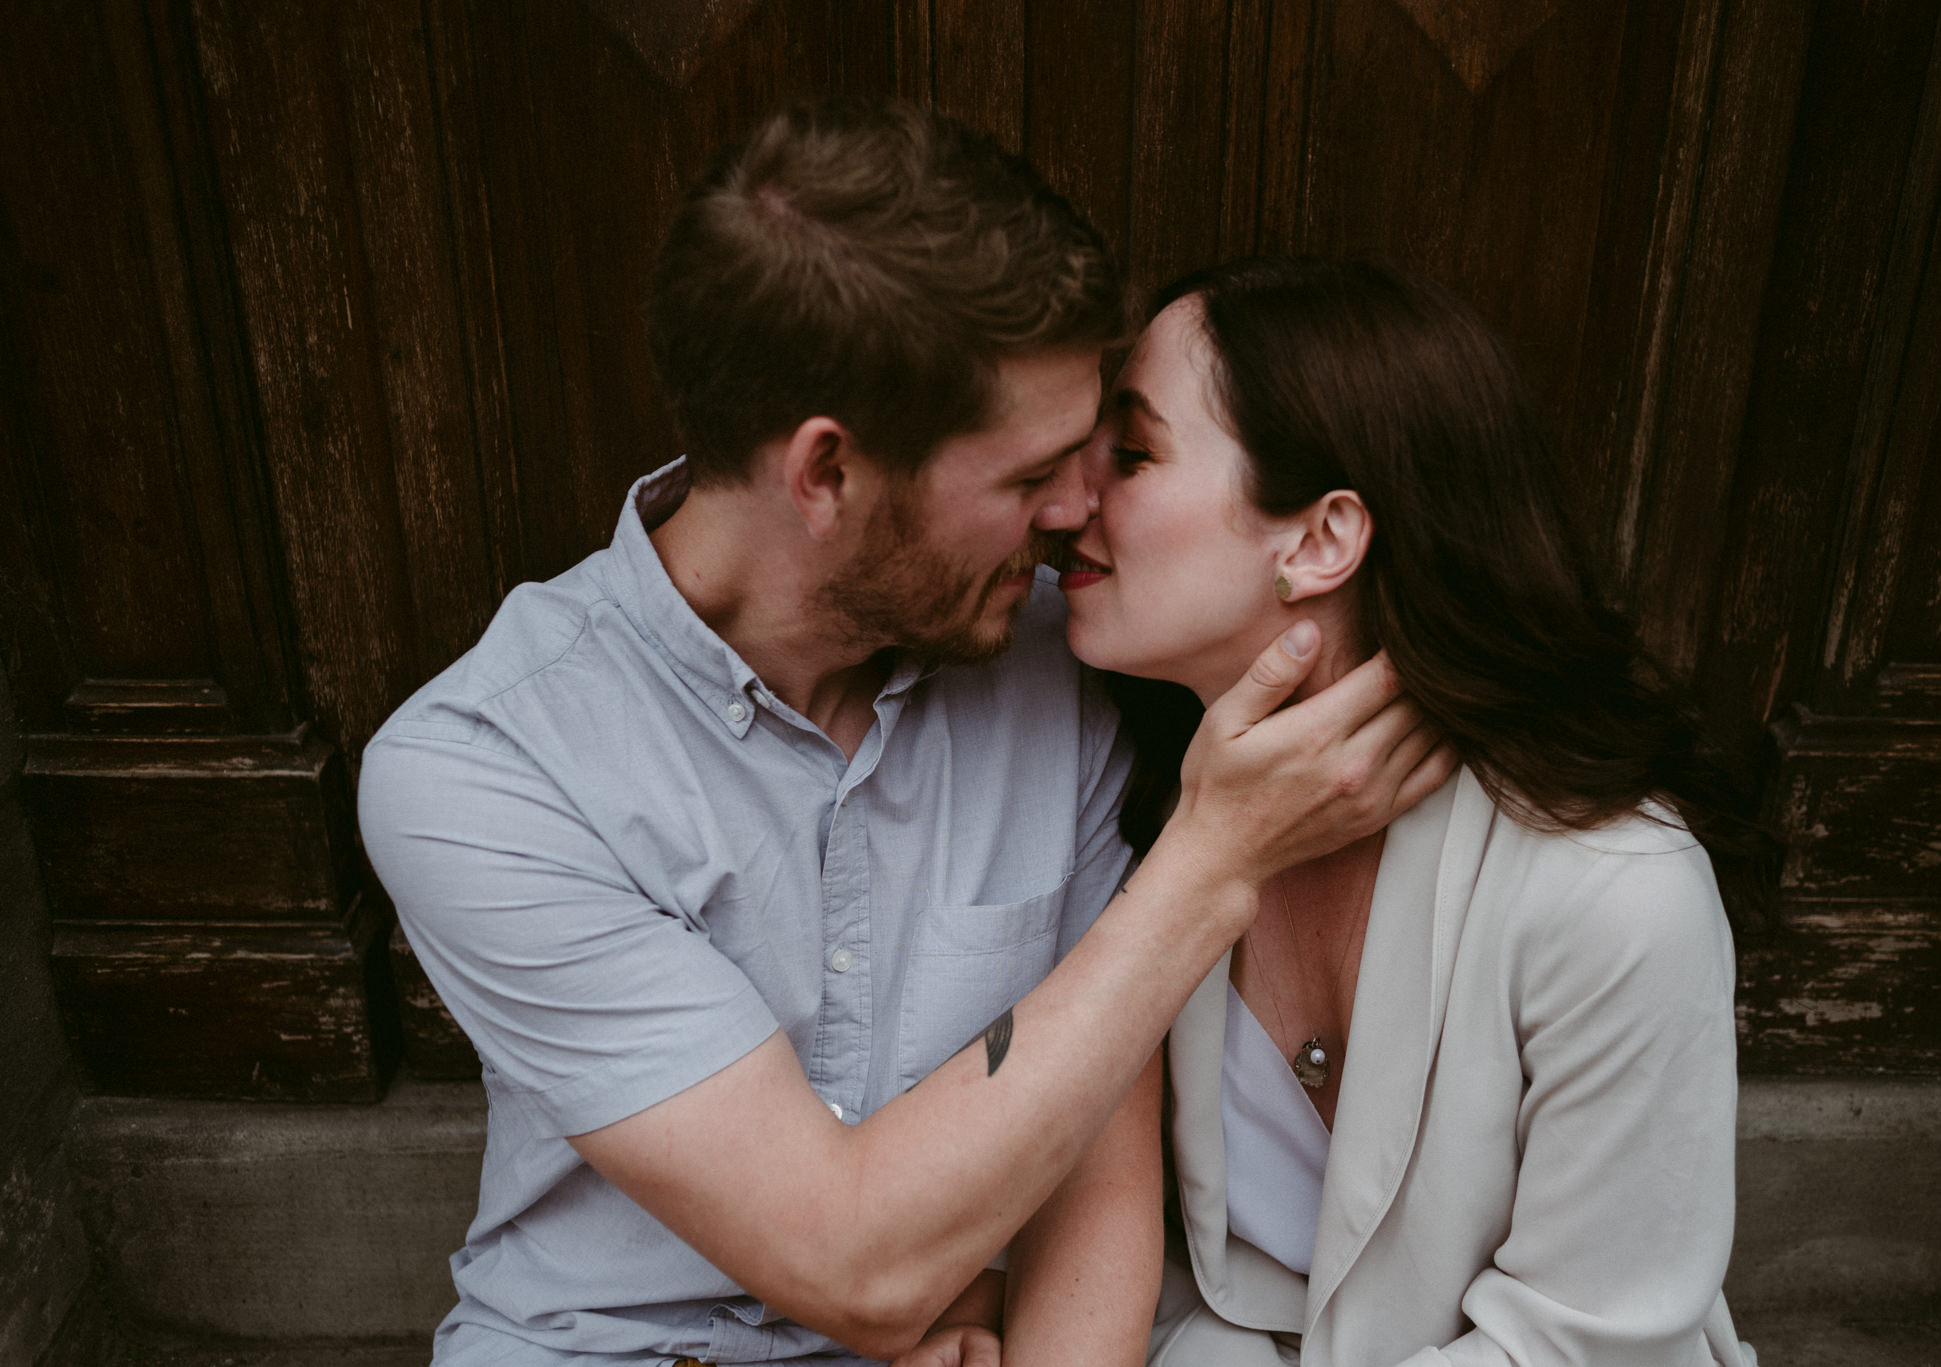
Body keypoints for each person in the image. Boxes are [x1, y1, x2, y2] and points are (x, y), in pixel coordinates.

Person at [358, 106, 1450, 1367]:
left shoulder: (1072, 660)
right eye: (1029, 471)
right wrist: (1212, 859)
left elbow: (1096, 1161)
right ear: (826, 473)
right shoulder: (486, 770)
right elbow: (852, 1262)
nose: (1080, 509)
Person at [1054, 257, 1763, 1366]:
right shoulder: (1119, 791)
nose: (1067, 497)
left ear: (1320, 540)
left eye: (1132, 453)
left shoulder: (1613, 892)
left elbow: (1588, 1345)